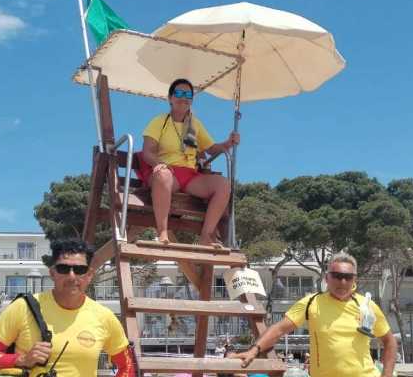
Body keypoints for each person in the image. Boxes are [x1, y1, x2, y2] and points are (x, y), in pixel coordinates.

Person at [0, 239, 135, 377]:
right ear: (52, 273)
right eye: (64, 269)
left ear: (89, 275)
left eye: (80, 270)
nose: (72, 276)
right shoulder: (23, 307)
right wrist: (21, 360)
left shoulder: (104, 316)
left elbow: (127, 365)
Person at [233, 253, 397, 377]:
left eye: (348, 277)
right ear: (327, 278)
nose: (343, 282)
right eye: (337, 276)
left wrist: (387, 375)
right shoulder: (310, 303)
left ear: (355, 279)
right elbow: (279, 329)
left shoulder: (367, 305)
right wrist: (254, 350)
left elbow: (389, 341)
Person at [138, 78, 240, 246]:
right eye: (179, 93)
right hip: (166, 174)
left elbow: (212, 148)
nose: (183, 97)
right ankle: (162, 233)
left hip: (190, 176)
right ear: (170, 98)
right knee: (163, 175)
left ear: (191, 100)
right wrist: (159, 164)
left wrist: (229, 142)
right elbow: (147, 152)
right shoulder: (159, 121)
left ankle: (206, 236)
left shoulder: (194, 124)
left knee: (223, 185)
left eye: (188, 94)